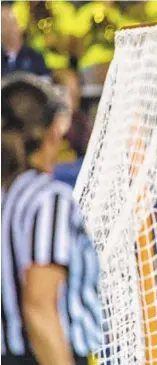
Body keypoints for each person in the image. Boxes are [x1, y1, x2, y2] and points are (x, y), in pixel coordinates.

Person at [1, 72, 101, 365]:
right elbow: (39, 306)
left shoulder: (8, 194)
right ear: (52, 132)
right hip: (39, 354)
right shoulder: (48, 199)